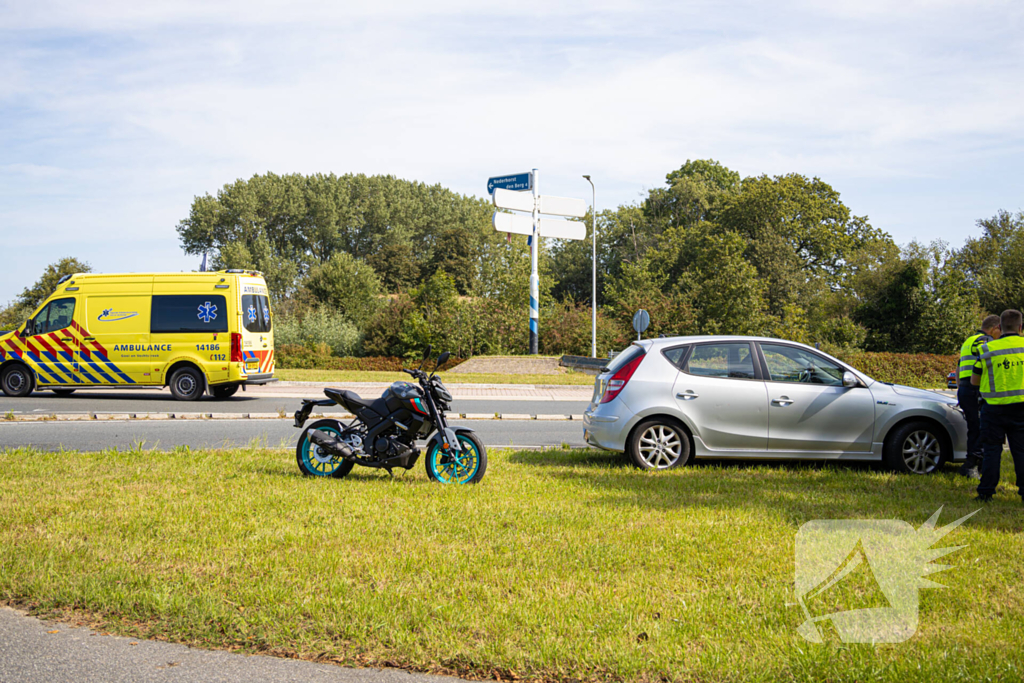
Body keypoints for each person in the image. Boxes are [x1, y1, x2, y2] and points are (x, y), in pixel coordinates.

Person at [972, 309, 1024, 503]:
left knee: (992, 450)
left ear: (1000, 328)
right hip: (1021, 408)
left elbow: (975, 381)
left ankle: (986, 492)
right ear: (1020, 327)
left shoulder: (987, 349)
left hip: (993, 409)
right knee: (1021, 451)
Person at [956, 315, 1001, 477]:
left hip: (965, 389)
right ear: (995, 328)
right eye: (1000, 331)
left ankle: (977, 463)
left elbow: (959, 366)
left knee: (974, 428)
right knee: (982, 429)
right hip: (977, 388)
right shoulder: (986, 340)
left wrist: (961, 388)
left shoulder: (968, 340)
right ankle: (971, 464)